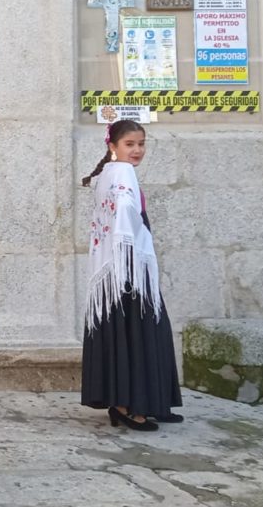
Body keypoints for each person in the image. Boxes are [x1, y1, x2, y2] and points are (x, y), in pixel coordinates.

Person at [80, 119, 183, 431]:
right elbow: (124, 210)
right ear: (112, 146)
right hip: (128, 268)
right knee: (140, 333)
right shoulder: (122, 172)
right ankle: (128, 406)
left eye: (141, 144)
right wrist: (129, 246)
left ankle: (145, 402)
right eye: (130, 144)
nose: (137, 150)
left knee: (136, 333)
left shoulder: (107, 173)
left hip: (116, 267)